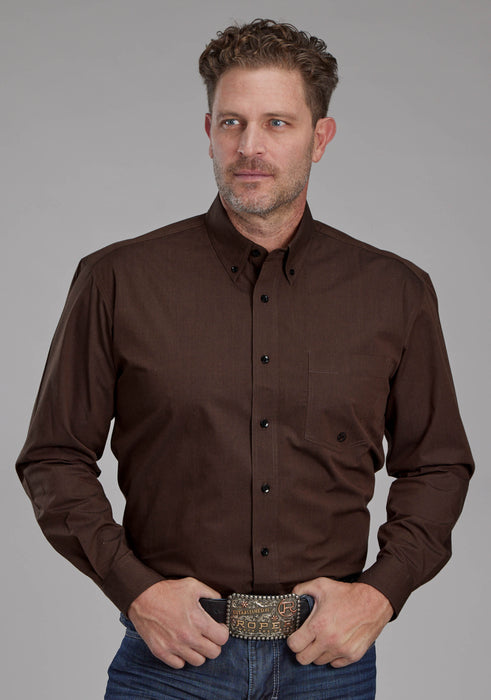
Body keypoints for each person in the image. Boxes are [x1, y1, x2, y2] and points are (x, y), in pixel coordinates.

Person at [16, 18, 473, 700]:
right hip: (172, 663)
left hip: (328, 666)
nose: (249, 147)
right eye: (232, 122)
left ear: (320, 137)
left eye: (277, 124)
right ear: (208, 131)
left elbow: (437, 463)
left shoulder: (394, 292)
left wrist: (382, 593)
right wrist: (134, 590)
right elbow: (53, 458)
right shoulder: (116, 280)